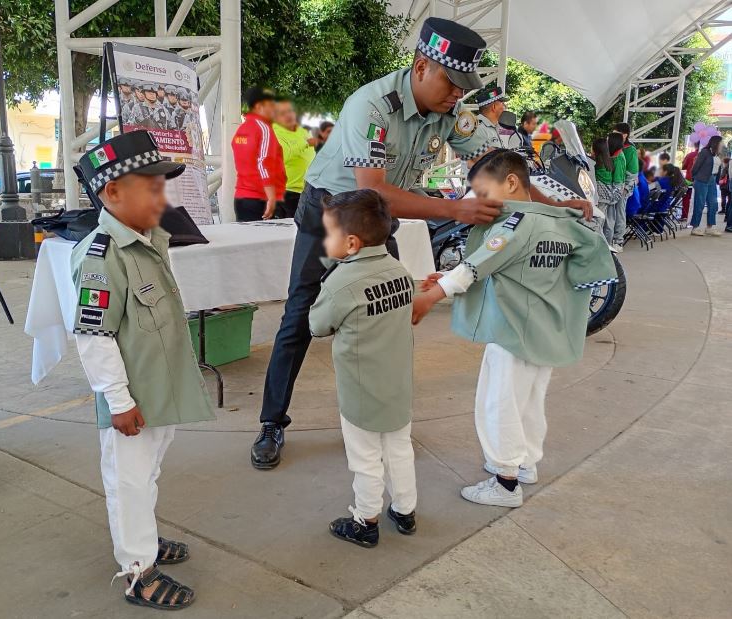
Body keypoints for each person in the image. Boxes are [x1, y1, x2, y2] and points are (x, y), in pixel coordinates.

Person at [250, 17, 591, 471]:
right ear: (421, 66)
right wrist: (455, 210)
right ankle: (272, 423)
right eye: (451, 83)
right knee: (300, 315)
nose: (457, 95)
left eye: (464, 88)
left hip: (376, 219)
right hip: (331, 213)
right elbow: (372, 189)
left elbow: (495, 162)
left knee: (391, 313)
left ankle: (380, 416)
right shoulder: (370, 105)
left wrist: (552, 204)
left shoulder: (450, 112)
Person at [411, 150, 616, 507]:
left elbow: (480, 263)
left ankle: (504, 481)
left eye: (483, 192)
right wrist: (444, 276)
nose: (479, 202)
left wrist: (432, 296)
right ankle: (525, 464)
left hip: (513, 330)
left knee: (498, 403)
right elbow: (511, 266)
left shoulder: (516, 224)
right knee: (530, 402)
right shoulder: (558, 223)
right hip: (544, 331)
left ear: (510, 182)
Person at [71, 130, 215, 610]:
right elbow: (94, 335)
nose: (163, 197)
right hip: (131, 399)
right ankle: (138, 571)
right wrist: (118, 401)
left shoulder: (149, 240)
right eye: (152, 187)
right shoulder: (100, 257)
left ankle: (145, 541)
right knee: (128, 480)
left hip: (158, 389)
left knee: (147, 471)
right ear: (112, 192)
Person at [309, 189, 417, 547]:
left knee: (365, 458)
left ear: (351, 242)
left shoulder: (342, 283)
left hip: (360, 391)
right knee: (400, 449)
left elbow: (317, 325)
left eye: (329, 234)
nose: (325, 241)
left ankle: (365, 520)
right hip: (398, 385)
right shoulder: (399, 271)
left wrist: (330, 277)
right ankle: (405, 511)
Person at [230, 87, 286, 221]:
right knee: (268, 241)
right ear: (259, 106)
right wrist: (271, 197)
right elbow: (263, 163)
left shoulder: (242, 130)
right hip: (261, 199)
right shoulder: (263, 129)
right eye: (271, 105)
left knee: (248, 241)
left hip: (242, 199)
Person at [273, 98, 316, 219]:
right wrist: (305, 143)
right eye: (283, 113)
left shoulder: (301, 130)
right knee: (292, 231)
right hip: (287, 192)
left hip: (305, 190)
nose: (289, 115)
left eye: (290, 111)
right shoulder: (276, 132)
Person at [689, 135, 723, 236]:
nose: (723, 144)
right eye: (721, 142)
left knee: (713, 204)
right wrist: (695, 178)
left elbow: (719, 168)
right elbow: (695, 167)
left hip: (712, 180)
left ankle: (710, 227)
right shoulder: (704, 152)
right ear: (716, 143)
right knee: (699, 204)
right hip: (701, 180)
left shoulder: (718, 154)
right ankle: (695, 227)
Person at [593, 137, 619, 249]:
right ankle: (607, 244)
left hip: (600, 196)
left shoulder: (596, 163)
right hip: (609, 194)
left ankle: (599, 246)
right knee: (607, 222)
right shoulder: (609, 161)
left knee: (598, 222)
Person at [608, 132, 627, 251]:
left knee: (617, 215)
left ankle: (618, 242)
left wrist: (613, 195)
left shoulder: (619, 157)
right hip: (616, 188)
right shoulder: (616, 155)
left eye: (608, 139)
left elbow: (618, 180)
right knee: (615, 215)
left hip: (617, 189)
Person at [614, 122, 640, 196]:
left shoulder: (630, 150)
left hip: (622, 188)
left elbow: (633, 172)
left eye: (616, 134)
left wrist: (626, 189)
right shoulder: (613, 146)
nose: (613, 136)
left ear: (625, 135)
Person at [681, 142, 700, 222]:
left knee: (686, 198)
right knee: (699, 199)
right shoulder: (708, 156)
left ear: (695, 145)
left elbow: (683, 166)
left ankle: (685, 215)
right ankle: (695, 218)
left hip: (689, 180)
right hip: (701, 180)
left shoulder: (690, 155)